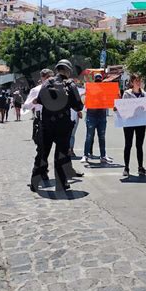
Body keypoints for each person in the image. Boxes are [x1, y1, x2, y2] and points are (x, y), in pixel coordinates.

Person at [30, 59, 83, 192]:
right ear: (68, 71)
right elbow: (78, 106)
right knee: (61, 155)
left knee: (42, 154)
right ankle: (61, 184)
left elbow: (39, 100)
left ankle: (34, 183)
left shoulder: (47, 82)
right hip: (63, 125)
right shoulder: (70, 84)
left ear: (57, 69)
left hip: (46, 124)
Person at [119, 73, 146, 177]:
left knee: (139, 145)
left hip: (141, 122)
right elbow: (124, 107)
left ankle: (140, 167)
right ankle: (126, 167)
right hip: (129, 122)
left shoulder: (145, 94)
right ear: (132, 82)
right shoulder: (127, 94)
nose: (138, 82)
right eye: (136, 81)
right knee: (128, 144)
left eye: (139, 80)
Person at [81, 73, 113, 164]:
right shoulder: (90, 89)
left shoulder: (105, 90)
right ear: (94, 81)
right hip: (91, 116)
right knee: (89, 137)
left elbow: (111, 100)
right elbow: (84, 100)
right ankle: (85, 155)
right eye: (97, 80)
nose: (98, 81)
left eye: (99, 80)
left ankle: (103, 156)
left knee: (102, 137)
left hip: (102, 116)